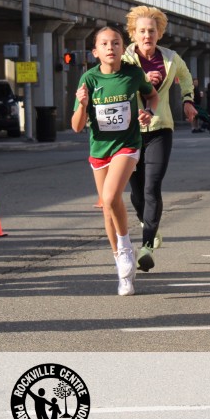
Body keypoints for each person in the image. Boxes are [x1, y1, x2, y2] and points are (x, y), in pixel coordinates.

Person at [72, 26, 157, 296]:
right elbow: (76, 126)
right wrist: (82, 104)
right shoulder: (89, 79)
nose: (111, 47)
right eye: (105, 44)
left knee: (109, 197)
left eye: (116, 43)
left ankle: (125, 248)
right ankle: (123, 270)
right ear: (95, 52)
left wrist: (148, 111)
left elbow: (152, 95)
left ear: (123, 48)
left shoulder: (133, 73)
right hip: (100, 149)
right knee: (108, 209)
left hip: (127, 145)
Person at [122, 6, 197, 272]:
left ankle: (147, 247)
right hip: (129, 131)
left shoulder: (170, 58)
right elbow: (118, 84)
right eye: (142, 31)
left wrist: (187, 100)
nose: (147, 36)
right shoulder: (123, 59)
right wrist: (143, 80)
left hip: (160, 128)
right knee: (137, 193)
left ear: (159, 33)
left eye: (151, 31)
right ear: (133, 33)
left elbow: (186, 77)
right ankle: (148, 224)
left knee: (152, 187)